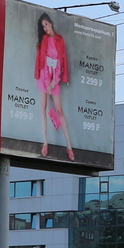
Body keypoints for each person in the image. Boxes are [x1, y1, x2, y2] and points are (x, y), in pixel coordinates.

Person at [34, 13, 75, 162]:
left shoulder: (59, 40)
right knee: (43, 107)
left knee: (59, 110)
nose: (45, 28)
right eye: (42, 26)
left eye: (46, 24)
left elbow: (61, 62)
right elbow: (42, 62)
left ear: (51, 23)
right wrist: (46, 80)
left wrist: (54, 80)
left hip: (54, 77)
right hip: (44, 76)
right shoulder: (43, 40)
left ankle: (69, 146)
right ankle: (45, 142)